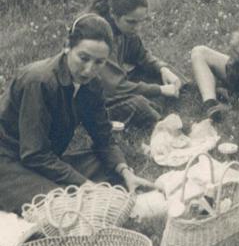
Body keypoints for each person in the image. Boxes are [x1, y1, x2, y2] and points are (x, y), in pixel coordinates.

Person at [0, 14, 155, 213]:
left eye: (99, 62)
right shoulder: (39, 81)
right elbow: (35, 154)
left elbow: (104, 139)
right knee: (63, 208)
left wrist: (125, 172)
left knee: (110, 168)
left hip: (41, 158)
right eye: (83, 58)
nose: (89, 69)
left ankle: (69, 188)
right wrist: (85, 184)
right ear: (67, 46)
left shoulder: (92, 84)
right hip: (8, 161)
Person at [87, 0, 182, 127]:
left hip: (119, 82)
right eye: (131, 22)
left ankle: (166, 97)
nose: (137, 28)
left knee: (167, 74)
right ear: (113, 14)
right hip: (97, 96)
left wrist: (162, 68)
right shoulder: (99, 34)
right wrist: (160, 90)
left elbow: (141, 55)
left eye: (140, 22)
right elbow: (116, 87)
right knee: (139, 105)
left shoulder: (124, 28)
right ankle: (159, 113)